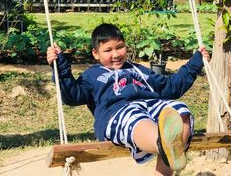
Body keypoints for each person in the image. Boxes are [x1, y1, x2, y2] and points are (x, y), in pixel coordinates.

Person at [47, 23, 210, 176]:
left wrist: (195, 63)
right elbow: (72, 95)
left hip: (150, 106)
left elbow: (171, 87)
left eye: (120, 47)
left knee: (180, 110)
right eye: (108, 50)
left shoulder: (138, 70)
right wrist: (59, 65)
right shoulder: (93, 75)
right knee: (134, 115)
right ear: (95, 53)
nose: (116, 54)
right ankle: (164, 144)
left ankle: (169, 150)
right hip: (116, 113)